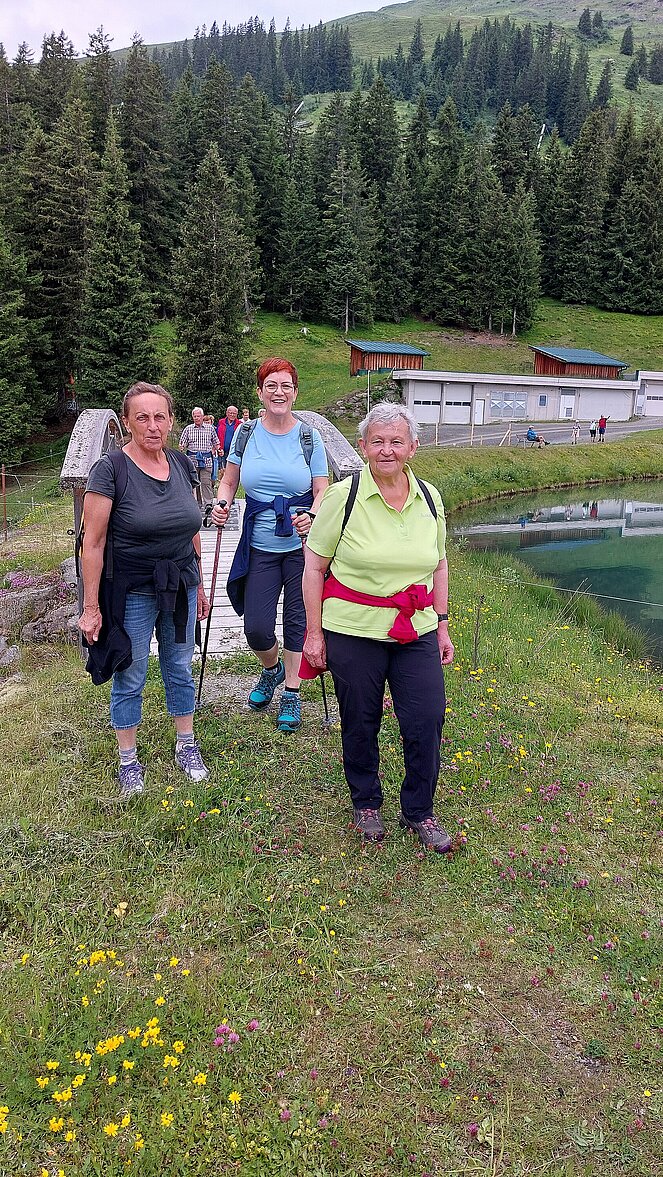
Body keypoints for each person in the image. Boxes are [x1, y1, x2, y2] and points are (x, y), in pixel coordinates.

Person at [301, 403, 454, 854]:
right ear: (363, 446)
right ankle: (366, 801)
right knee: (360, 718)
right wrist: (314, 633)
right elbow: (314, 568)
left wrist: (442, 625)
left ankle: (419, 810)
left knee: (427, 717)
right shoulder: (342, 497)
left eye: (396, 441)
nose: (387, 450)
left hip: (416, 629)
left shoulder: (430, 497)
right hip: (353, 629)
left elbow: (439, 564)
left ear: (413, 447)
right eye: (378, 441)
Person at [78, 383, 210, 801]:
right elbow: (92, 543)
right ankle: (128, 760)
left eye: (160, 417)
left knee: (180, 666)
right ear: (127, 423)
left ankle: (186, 744)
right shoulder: (110, 470)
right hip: (132, 588)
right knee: (130, 673)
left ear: (171, 421)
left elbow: (190, 527)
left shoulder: (182, 463)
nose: (153, 426)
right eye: (142, 417)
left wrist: (200, 583)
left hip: (181, 583)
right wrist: (91, 607)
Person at [211, 358, 328, 733]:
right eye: (271, 386)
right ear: (260, 392)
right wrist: (222, 503)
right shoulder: (246, 434)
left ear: (295, 393)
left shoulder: (309, 437)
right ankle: (272, 669)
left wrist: (312, 514)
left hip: (301, 548)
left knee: (297, 622)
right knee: (257, 629)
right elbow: (229, 481)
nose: (279, 392)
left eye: (286, 386)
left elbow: (322, 489)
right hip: (259, 546)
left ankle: (291, 691)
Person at [178, 407, 218, 508]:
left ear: (202, 416)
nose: (196, 418)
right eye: (195, 416)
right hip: (192, 460)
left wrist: (218, 449)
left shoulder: (210, 428)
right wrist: (182, 446)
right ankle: (196, 502)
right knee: (194, 482)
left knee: (206, 482)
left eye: (198, 416)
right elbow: (182, 442)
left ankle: (208, 503)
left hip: (206, 460)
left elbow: (216, 442)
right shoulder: (188, 429)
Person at [217, 405, 241, 470]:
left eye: (234, 413)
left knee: (232, 469)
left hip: (233, 451)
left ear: (237, 414)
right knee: (222, 469)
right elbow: (217, 435)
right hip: (222, 451)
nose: (232, 415)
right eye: (230, 413)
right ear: (227, 413)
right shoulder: (221, 422)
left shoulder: (239, 424)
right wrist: (219, 447)